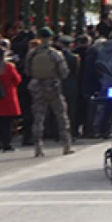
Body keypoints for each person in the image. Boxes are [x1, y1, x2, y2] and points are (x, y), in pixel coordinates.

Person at [25, 27, 74, 157]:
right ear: (51, 38)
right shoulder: (55, 54)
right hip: (53, 86)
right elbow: (64, 72)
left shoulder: (32, 53)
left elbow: (27, 70)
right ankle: (66, 145)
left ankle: (38, 147)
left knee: (38, 118)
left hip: (37, 87)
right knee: (61, 117)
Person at [0, 45, 22, 152]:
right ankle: (7, 144)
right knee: (7, 124)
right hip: (8, 97)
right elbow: (17, 80)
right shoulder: (9, 67)